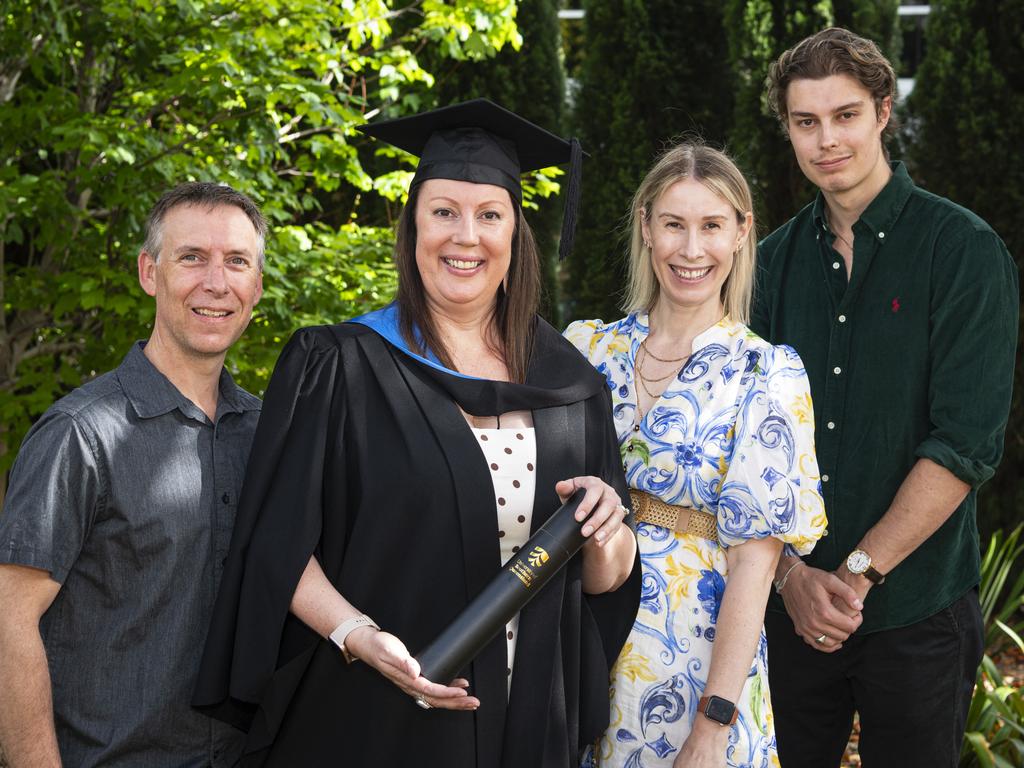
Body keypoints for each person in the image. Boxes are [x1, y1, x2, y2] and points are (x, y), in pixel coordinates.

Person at [193, 99, 641, 768]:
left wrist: (609, 533)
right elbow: (275, 544)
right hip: (375, 714)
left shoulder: (571, 387)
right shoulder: (339, 365)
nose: (466, 236)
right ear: (410, 227)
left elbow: (605, 583)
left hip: (526, 722)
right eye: (443, 212)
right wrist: (358, 635)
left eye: (490, 215)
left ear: (516, 233)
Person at [753, 27, 1019, 767]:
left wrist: (853, 574)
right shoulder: (769, 265)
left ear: (883, 112)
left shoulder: (961, 250)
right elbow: (742, 439)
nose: (826, 139)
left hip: (917, 612)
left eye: (844, 115)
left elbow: (964, 443)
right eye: (806, 122)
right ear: (789, 131)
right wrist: (791, 578)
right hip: (787, 609)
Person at [566, 141, 825, 768]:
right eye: (674, 224)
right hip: (582, 649)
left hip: (695, 666)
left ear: (741, 234)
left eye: (712, 226)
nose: (691, 249)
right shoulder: (586, 351)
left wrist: (713, 727)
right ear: (646, 227)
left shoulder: (766, 373)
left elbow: (755, 567)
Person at [0, 182, 267, 767]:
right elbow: (8, 621)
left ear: (257, 287)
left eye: (237, 262)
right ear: (150, 272)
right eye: (192, 257)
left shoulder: (269, 436)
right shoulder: (80, 434)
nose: (216, 282)